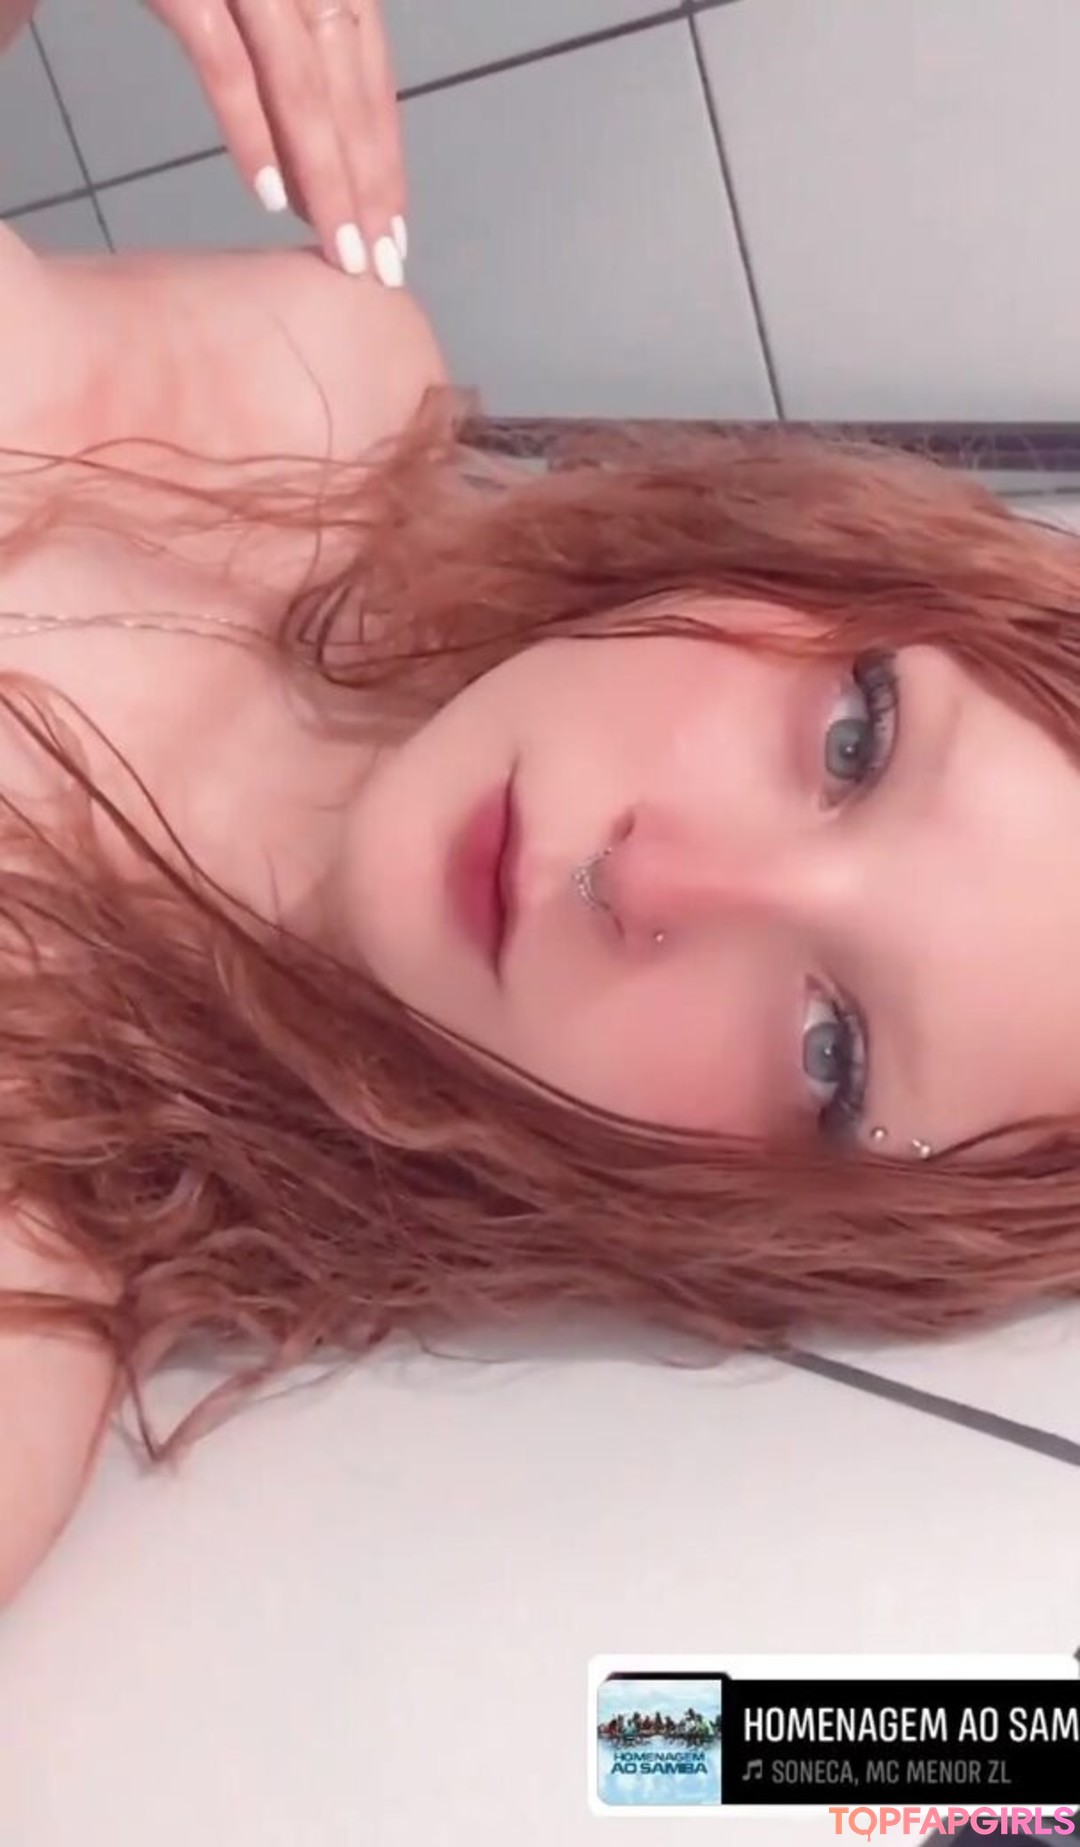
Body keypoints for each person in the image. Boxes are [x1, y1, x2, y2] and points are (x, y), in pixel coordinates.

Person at [1, 1, 1080, 1609]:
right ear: (810, 572)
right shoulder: (318, 389)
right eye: (856, 736)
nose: (661, 880)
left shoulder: (32, 1327)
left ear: (754, 1224)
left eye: (829, 1054)